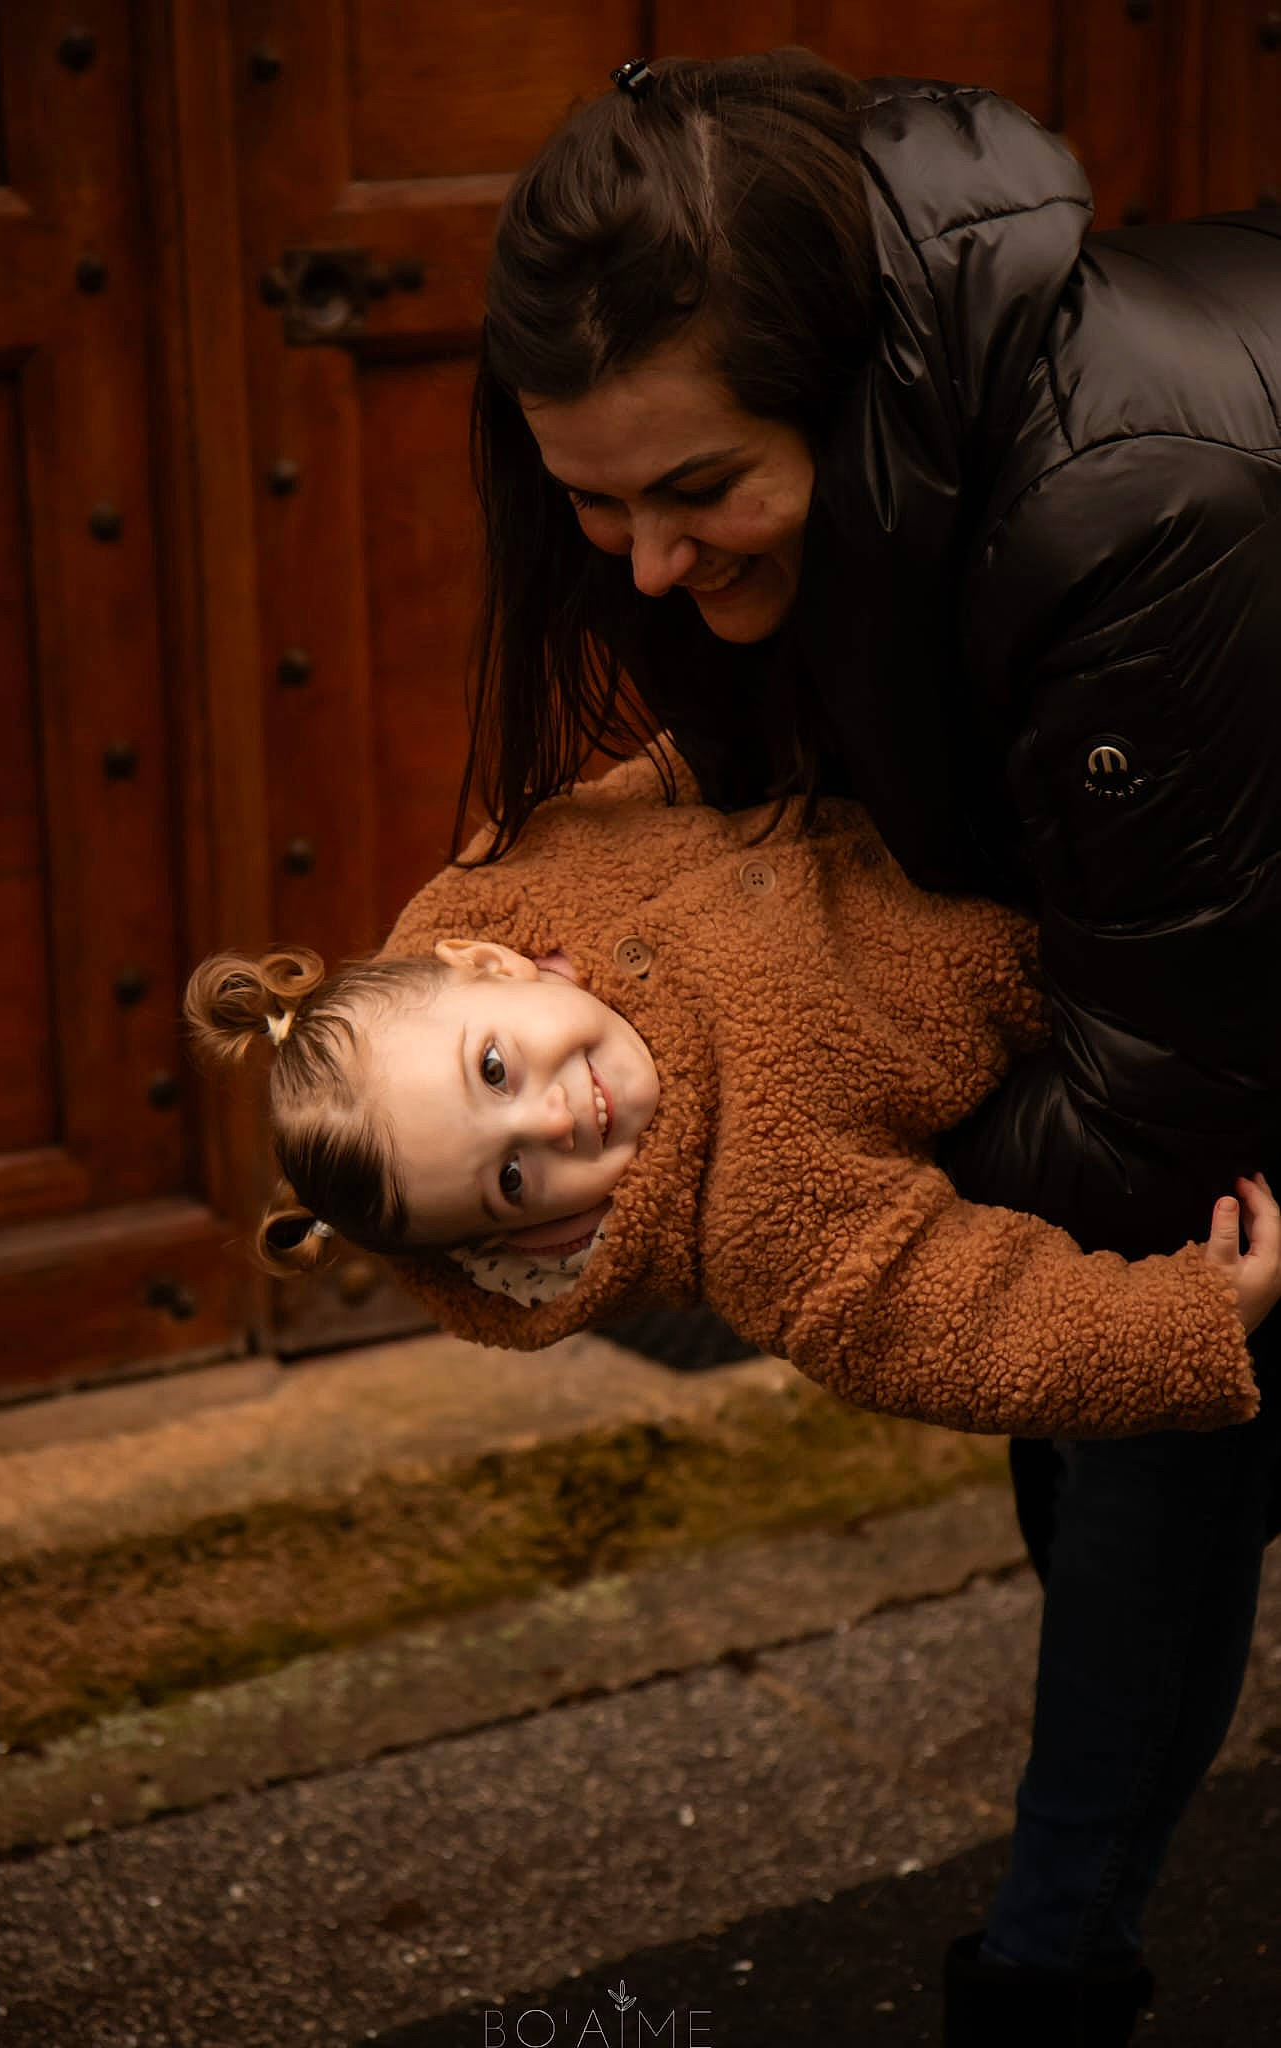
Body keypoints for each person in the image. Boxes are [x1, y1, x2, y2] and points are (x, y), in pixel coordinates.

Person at [450, 48, 1281, 2047]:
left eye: (695, 494)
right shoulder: (837, 498)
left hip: (1223, 1006)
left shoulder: (1119, 511)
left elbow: (1158, 1109)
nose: (641, 566)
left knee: (1156, 1428)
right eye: (588, 508)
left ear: (844, 390)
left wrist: (794, 1215)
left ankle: (1040, 1975)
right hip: (1195, 967)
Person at [184, 747, 1279, 1443]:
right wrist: (1183, 1322)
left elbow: (687, 758)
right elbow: (964, 1325)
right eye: (512, 1174)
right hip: (1117, 973)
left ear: (493, 962)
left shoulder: (552, 874)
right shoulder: (762, 1220)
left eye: (494, 1071)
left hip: (1002, 771)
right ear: (548, 1228)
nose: (555, 1119)